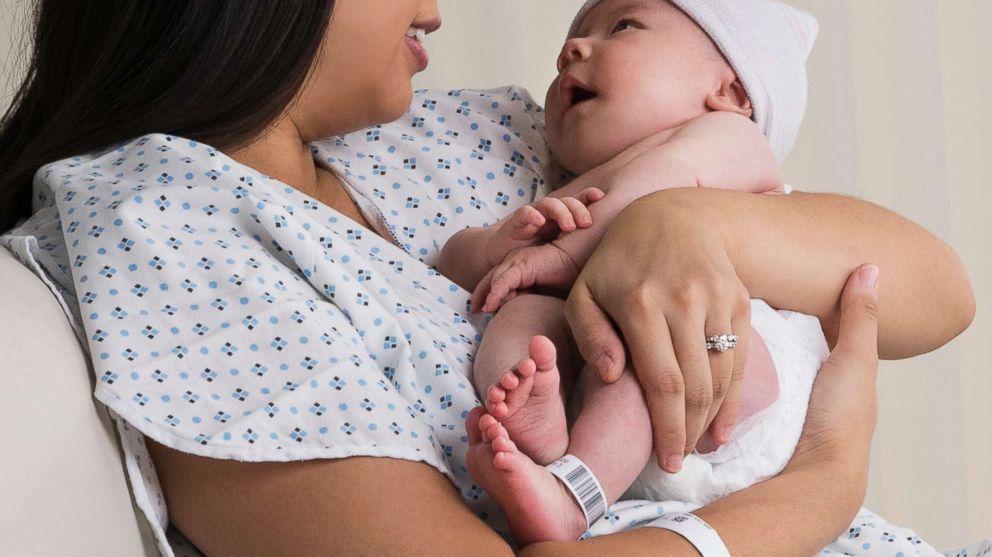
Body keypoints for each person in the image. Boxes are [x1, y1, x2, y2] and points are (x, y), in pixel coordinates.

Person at [0, 1, 974, 555]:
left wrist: (688, 217)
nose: (433, 7)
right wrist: (821, 484)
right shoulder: (168, 222)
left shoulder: (477, 134)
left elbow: (932, 287)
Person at [435, 0, 835, 545]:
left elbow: (649, 200)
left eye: (623, 26)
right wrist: (493, 248)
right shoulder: (563, 187)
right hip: (628, 432)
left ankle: (574, 497)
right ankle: (537, 428)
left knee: (652, 324)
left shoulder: (729, 138)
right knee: (523, 311)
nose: (571, 50)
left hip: (732, 375)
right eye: (573, 41)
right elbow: (455, 264)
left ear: (731, 92)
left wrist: (559, 256)